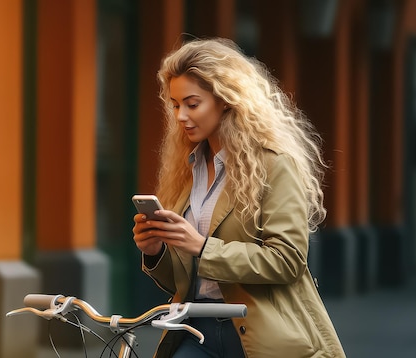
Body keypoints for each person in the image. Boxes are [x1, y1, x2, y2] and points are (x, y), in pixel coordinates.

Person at [132, 37, 345, 358]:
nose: (180, 116)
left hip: (260, 334)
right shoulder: (187, 170)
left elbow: (287, 261)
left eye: (192, 104)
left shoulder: (274, 165)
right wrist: (156, 251)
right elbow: (185, 279)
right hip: (194, 330)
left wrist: (202, 247)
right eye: (175, 105)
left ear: (226, 99)